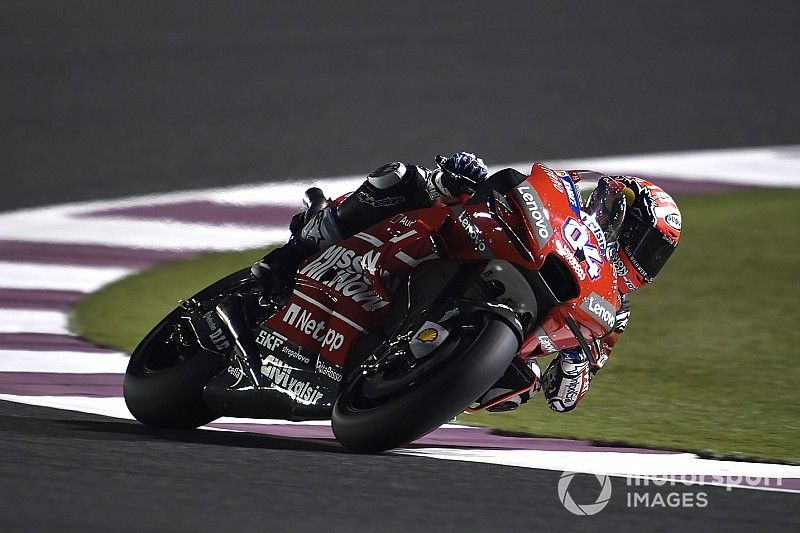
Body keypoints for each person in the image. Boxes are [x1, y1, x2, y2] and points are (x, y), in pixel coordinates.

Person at [220, 152, 683, 414]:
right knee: (406, 180)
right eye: (646, 241)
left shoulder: (611, 309)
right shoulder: (568, 201)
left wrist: (576, 364)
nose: (645, 257)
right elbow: (513, 187)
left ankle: (417, 381)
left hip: (500, 336)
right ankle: (303, 246)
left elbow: (565, 400)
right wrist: (465, 176)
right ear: (620, 209)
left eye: (655, 254)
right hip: (460, 244)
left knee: (521, 385)